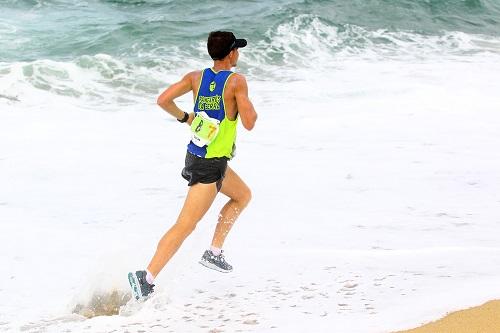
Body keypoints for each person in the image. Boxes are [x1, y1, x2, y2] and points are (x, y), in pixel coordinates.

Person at [128, 31, 258, 301]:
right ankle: (146, 277)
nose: (239, 54)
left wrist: (187, 117)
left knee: (242, 195)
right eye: (237, 50)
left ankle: (214, 252)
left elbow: (163, 100)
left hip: (204, 158)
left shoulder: (196, 78)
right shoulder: (237, 82)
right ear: (232, 53)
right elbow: (249, 122)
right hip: (209, 165)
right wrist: (244, 101)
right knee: (185, 224)